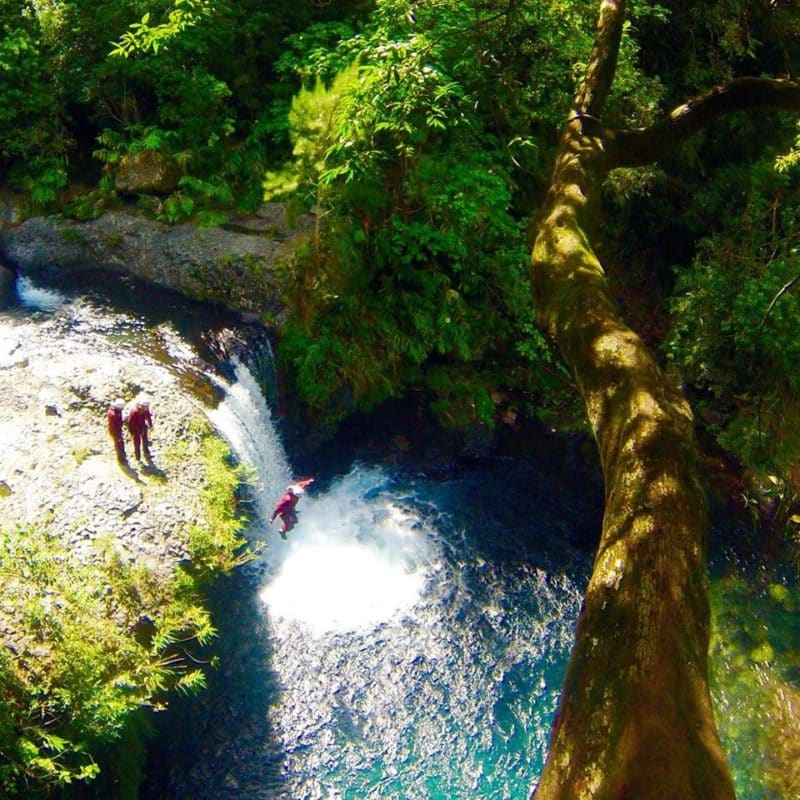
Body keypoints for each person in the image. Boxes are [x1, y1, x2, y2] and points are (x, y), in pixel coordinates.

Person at [126, 395, 153, 461]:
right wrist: (132, 433)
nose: (146, 409)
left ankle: (146, 452)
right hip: (136, 429)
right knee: (137, 443)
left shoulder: (145, 410)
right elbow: (130, 423)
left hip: (143, 426)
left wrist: (151, 425)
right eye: (145, 407)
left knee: (145, 440)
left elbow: (148, 417)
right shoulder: (134, 412)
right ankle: (138, 457)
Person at [107, 398, 127, 463]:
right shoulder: (114, 414)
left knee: (120, 443)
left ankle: (122, 455)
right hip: (115, 431)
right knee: (119, 444)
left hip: (116, 430)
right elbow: (117, 424)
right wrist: (123, 420)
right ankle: (121, 459)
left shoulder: (114, 411)